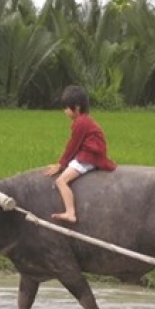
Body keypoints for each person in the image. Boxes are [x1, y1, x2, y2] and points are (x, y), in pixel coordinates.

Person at [43, 85, 116, 223]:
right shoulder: (85, 121)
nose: (64, 111)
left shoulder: (81, 123)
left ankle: (70, 212)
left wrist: (60, 164)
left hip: (88, 157)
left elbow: (72, 145)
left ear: (76, 108)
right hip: (88, 155)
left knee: (61, 181)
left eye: (66, 108)